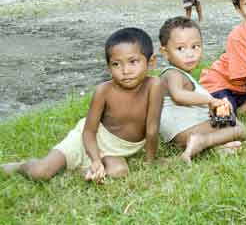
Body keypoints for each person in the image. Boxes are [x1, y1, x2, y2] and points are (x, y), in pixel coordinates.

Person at [1, 28, 163, 182]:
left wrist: (150, 162)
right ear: (108, 67)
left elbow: (152, 129)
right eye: (116, 64)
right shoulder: (103, 91)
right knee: (41, 172)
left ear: (151, 62)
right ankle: (19, 166)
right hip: (86, 141)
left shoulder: (154, 86)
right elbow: (88, 132)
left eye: (133, 62)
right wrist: (95, 159)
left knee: (118, 172)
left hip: (116, 151)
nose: (125, 70)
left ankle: (85, 171)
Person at [157, 17, 246, 165]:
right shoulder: (172, 74)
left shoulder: (182, 75)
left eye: (195, 46)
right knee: (240, 129)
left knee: (228, 129)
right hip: (184, 130)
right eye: (181, 48)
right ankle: (204, 141)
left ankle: (216, 147)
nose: (190, 53)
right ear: (165, 52)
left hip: (182, 132)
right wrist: (211, 100)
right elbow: (178, 95)